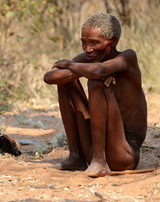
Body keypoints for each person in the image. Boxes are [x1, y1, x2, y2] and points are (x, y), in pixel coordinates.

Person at [43, 13, 147, 176]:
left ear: (112, 42)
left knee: (96, 82)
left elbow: (99, 71)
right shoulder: (90, 58)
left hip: (124, 152)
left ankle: (99, 161)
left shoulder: (127, 57)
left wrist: (72, 66)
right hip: (94, 143)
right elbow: (49, 77)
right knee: (66, 82)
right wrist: (82, 69)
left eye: (94, 43)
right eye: (84, 42)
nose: (87, 48)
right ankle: (76, 156)